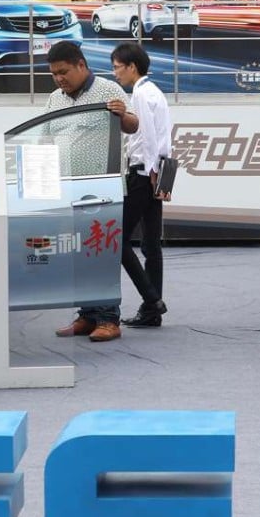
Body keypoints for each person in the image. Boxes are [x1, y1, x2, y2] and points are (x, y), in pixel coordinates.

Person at [48, 41, 139, 343]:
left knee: (102, 253)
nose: (60, 79)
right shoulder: (54, 100)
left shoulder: (108, 90)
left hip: (102, 191)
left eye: (64, 72)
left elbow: (133, 125)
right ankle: (87, 315)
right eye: (54, 74)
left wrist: (122, 114)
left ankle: (108, 319)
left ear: (81, 65)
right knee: (76, 255)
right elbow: (45, 141)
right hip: (66, 191)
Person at [111, 42, 171, 328]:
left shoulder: (140, 94)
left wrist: (148, 172)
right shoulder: (155, 92)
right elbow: (164, 141)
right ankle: (152, 311)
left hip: (144, 173)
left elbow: (146, 136)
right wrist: (159, 173)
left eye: (117, 67)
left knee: (119, 241)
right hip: (158, 171)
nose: (115, 74)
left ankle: (151, 300)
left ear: (131, 66)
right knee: (151, 244)